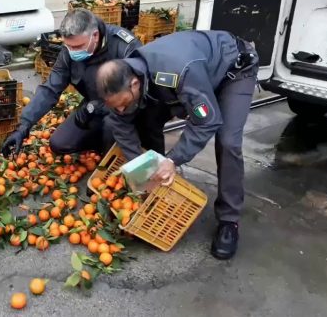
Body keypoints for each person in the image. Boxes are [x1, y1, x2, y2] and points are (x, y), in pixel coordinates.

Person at [95, 30, 259, 260]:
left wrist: (173, 160)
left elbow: (206, 121)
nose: (121, 109)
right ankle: (159, 188)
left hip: (233, 71)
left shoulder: (178, 72)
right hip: (196, 76)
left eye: (123, 103)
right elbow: (120, 123)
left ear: (134, 84)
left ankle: (229, 221)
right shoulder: (128, 77)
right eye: (116, 106)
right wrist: (142, 167)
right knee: (146, 118)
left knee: (228, 140)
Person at [1, 8, 141, 157]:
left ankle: (116, 150)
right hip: (91, 109)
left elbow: (139, 93)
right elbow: (50, 89)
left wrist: (97, 107)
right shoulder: (69, 53)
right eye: (69, 46)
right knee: (60, 143)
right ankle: (99, 143)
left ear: (95, 36)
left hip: (126, 111)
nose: (73, 51)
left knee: (110, 129)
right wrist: (24, 126)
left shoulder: (124, 46)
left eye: (78, 47)